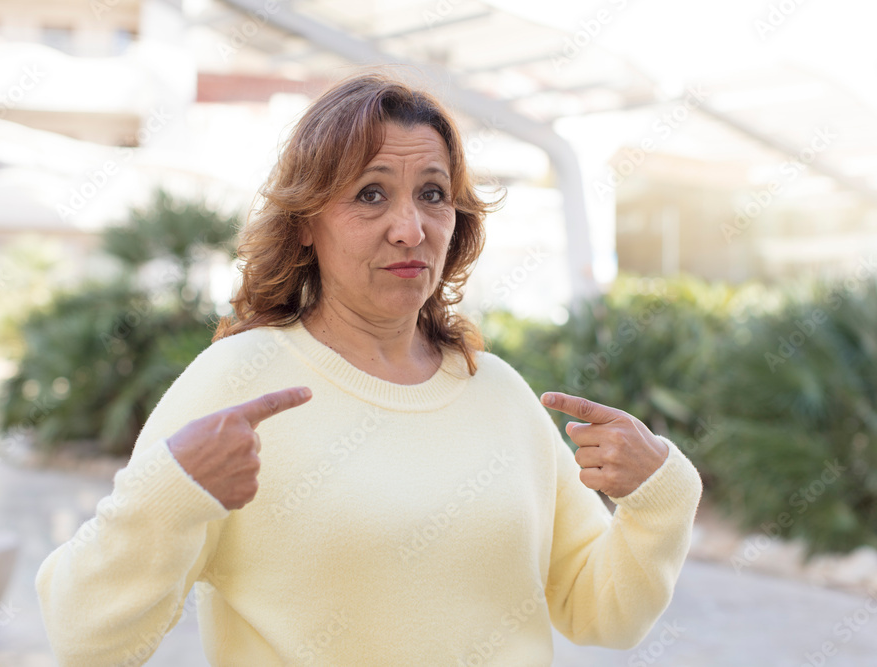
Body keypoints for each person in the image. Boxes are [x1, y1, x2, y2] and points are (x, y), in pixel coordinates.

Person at [36, 71, 702, 666]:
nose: (410, 228)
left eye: (433, 194)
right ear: (304, 223)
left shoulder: (498, 392)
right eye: (371, 194)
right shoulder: (237, 382)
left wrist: (661, 496)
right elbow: (87, 643)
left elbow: (601, 613)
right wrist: (171, 492)